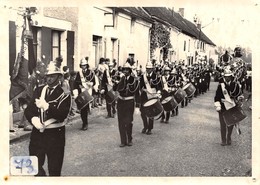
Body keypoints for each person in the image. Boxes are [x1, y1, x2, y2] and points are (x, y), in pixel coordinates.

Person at [24, 59, 71, 176]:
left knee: (54, 170)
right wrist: (34, 120)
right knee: (35, 167)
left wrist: (47, 107)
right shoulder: (39, 90)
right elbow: (29, 109)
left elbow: (62, 114)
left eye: (52, 76)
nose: (49, 78)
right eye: (47, 76)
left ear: (59, 77)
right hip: (38, 134)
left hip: (55, 135)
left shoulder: (64, 93)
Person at [214, 66, 244, 146]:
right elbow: (216, 97)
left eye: (228, 77)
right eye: (225, 77)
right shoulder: (221, 86)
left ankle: (228, 137)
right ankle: (223, 140)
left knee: (230, 123)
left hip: (231, 106)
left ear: (231, 77)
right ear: (224, 77)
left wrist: (240, 98)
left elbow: (239, 94)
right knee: (223, 124)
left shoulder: (235, 85)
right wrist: (218, 105)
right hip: (223, 107)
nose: (227, 78)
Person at [113, 62, 139, 147]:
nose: (125, 71)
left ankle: (129, 139)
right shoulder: (121, 78)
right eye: (123, 69)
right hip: (121, 102)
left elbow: (136, 92)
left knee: (128, 122)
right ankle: (123, 141)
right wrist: (117, 82)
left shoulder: (133, 80)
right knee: (121, 122)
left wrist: (138, 106)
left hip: (129, 102)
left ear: (130, 70)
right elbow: (116, 89)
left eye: (127, 70)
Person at [138, 62, 161, 134]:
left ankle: (150, 128)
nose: (148, 70)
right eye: (147, 69)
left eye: (150, 69)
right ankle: (145, 126)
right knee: (143, 112)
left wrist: (158, 92)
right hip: (144, 96)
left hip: (152, 95)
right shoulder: (143, 76)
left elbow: (159, 86)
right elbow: (140, 86)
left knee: (151, 112)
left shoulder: (156, 76)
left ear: (152, 69)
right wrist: (142, 90)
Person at [74, 57, 96, 130]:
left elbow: (94, 82)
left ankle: (85, 123)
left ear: (87, 65)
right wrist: (76, 90)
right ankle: (84, 122)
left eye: (85, 65)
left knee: (85, 108)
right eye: (82, 65)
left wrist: (90, 84)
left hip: (88, 91)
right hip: (81, 92)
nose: (83, 66)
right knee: (82, 108)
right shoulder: (78, 73)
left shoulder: (91, 73)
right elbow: (75, 83)